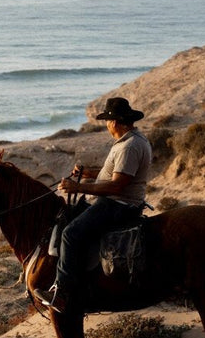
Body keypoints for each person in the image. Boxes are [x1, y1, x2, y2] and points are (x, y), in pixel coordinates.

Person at [39, 97, 153, 313]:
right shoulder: (133, 140)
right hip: (122, 201)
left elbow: (117, 186)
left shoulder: (128, 147)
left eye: (108, 121)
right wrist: (89, 174)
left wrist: (77, 187)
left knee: (70, 234)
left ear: (115, 122)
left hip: (119, 205)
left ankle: (61, 294)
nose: (107, 125)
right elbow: (118, 174)